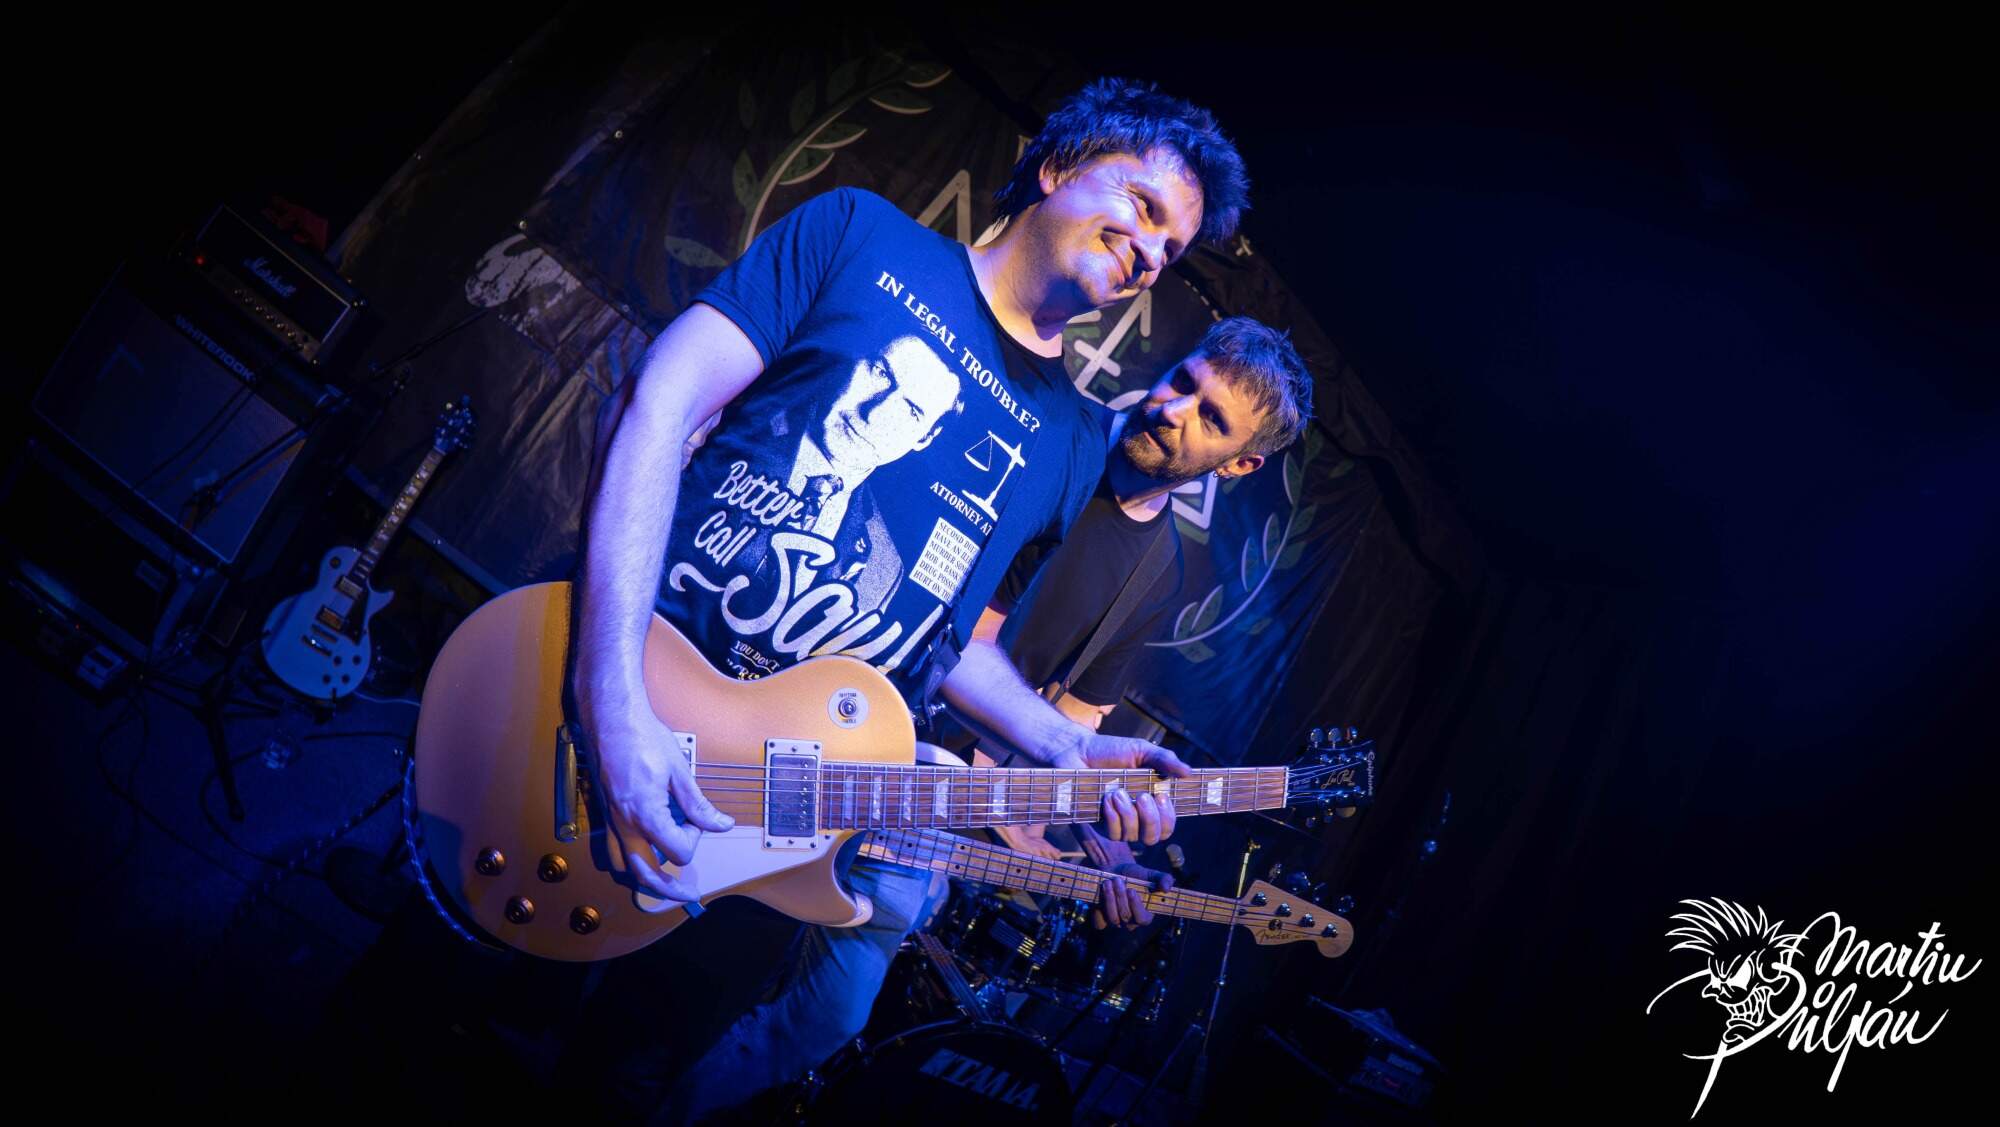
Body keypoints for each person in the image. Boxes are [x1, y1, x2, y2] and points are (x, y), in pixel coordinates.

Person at [567, 78, 1250, 1121]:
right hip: (619, 702)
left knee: (628, 1076)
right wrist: (611, 699)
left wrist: (1066, 747)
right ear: (1057, 167)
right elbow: (659, 402)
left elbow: (947, 640)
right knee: (430, 1013)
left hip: (778, 818)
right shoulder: (859, 233)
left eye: (1172, 247)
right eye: (1143, 206)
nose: (1152, 252)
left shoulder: (1071, 441)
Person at [968, 316, 1315, 929]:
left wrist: (1114, 859)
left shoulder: (1158, 572)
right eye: (1183, 381)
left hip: (941, 790)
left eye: (1212, 419)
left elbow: (1073, 728)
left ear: (1240, 465)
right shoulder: (1050, 430)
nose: (1174, 410)